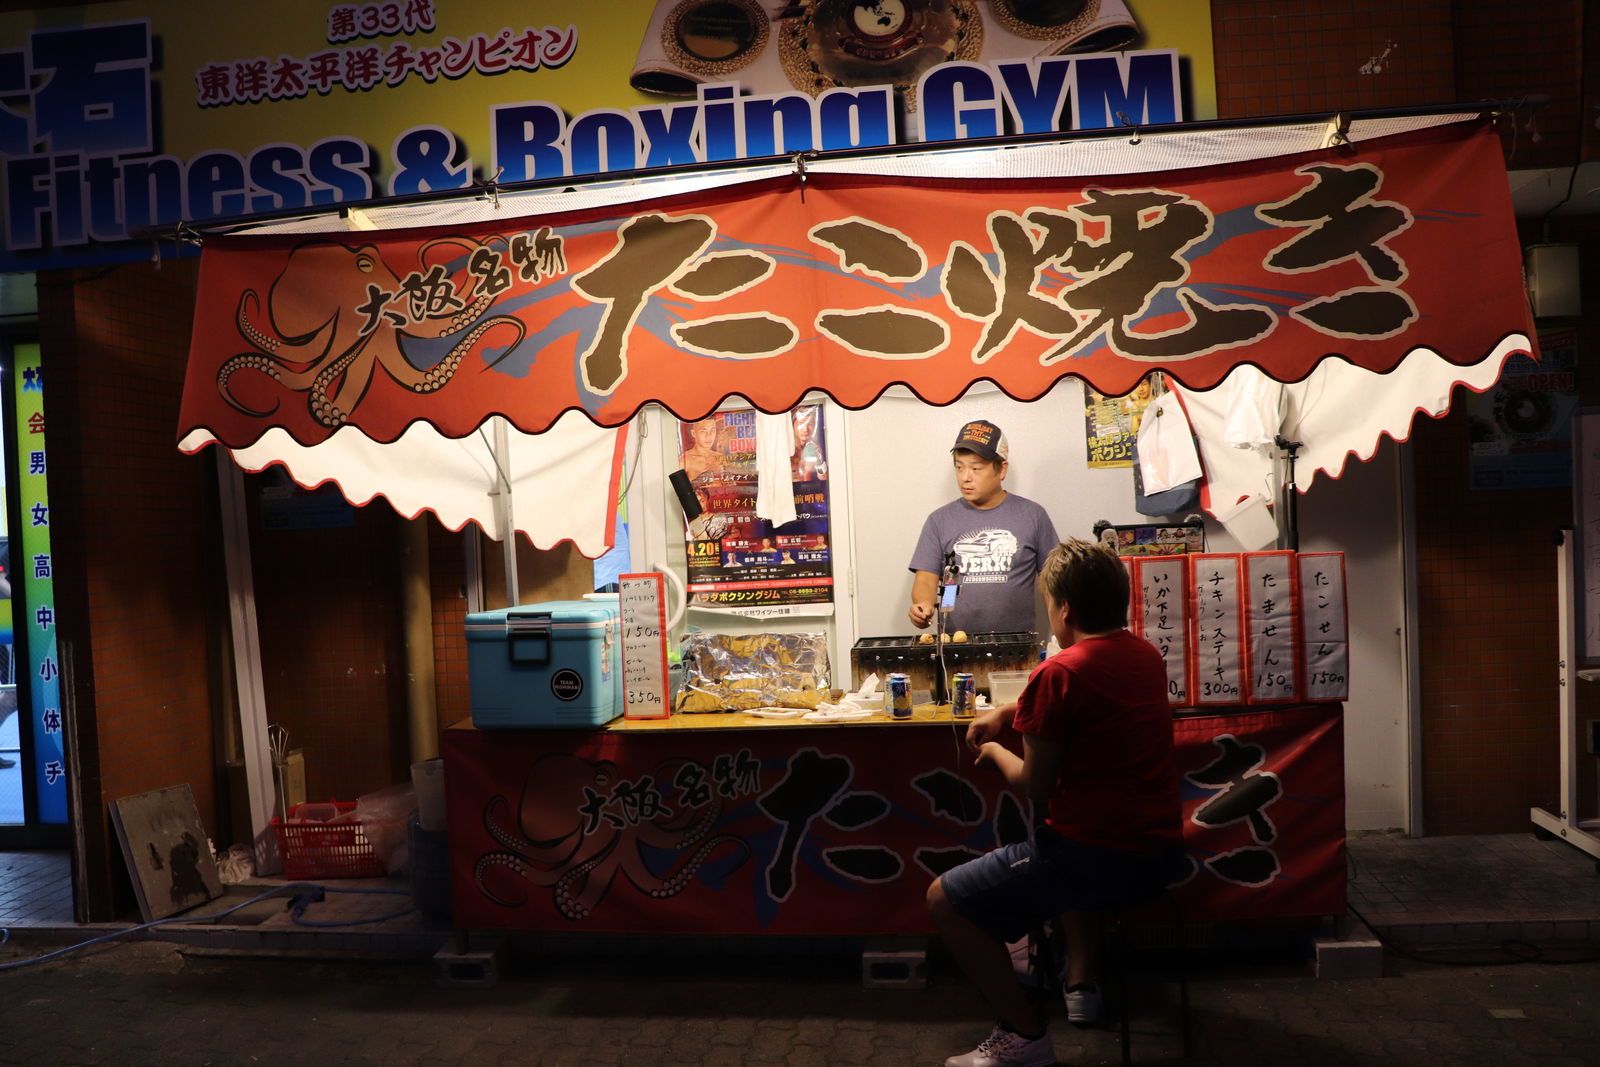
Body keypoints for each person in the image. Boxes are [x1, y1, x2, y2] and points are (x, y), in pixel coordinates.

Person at [927, 538, 1184, 1067]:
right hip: (1158, 854)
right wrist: (1008, 709)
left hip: (1090, 858)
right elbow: (1075, 699)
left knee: (943, 900)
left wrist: (995, 748)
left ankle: (1024, 1035)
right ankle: (1068, 979)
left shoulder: (1059, 672)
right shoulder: (1144, 655)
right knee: (1044, 860)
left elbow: (1033, 785)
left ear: (1063, 608)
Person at [907, 420, 1058, 637]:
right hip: (956, 646)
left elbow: (1054, 585)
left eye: (976, 468)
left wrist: (1063, 641)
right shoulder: (939, 521)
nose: (965, 477)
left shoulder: (1033, 516)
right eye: (959, 467)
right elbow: (925, 580)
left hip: (1017, 648)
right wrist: (922, 607)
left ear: (1001, 469)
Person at [680, 417, 725, 482]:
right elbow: (676, 488)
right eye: (703, 431)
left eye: (712, 430)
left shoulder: (720, 457)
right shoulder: (685, 460)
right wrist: (707, 473)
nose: (709, 436)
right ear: (693, 433)